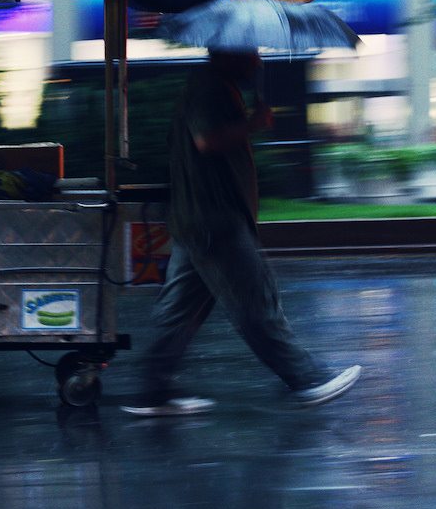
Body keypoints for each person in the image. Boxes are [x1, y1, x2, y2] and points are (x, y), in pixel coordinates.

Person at [121, 47, 361, 417]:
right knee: (255, 301)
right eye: (252, 54)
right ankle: (306, 379)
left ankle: (153, 392)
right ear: (229, 54)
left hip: (199, 218)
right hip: (215, 219)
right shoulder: (209, 86)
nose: (259, 61)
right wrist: (254, 122)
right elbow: (207, 140)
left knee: (178, 312)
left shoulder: (214, 85)